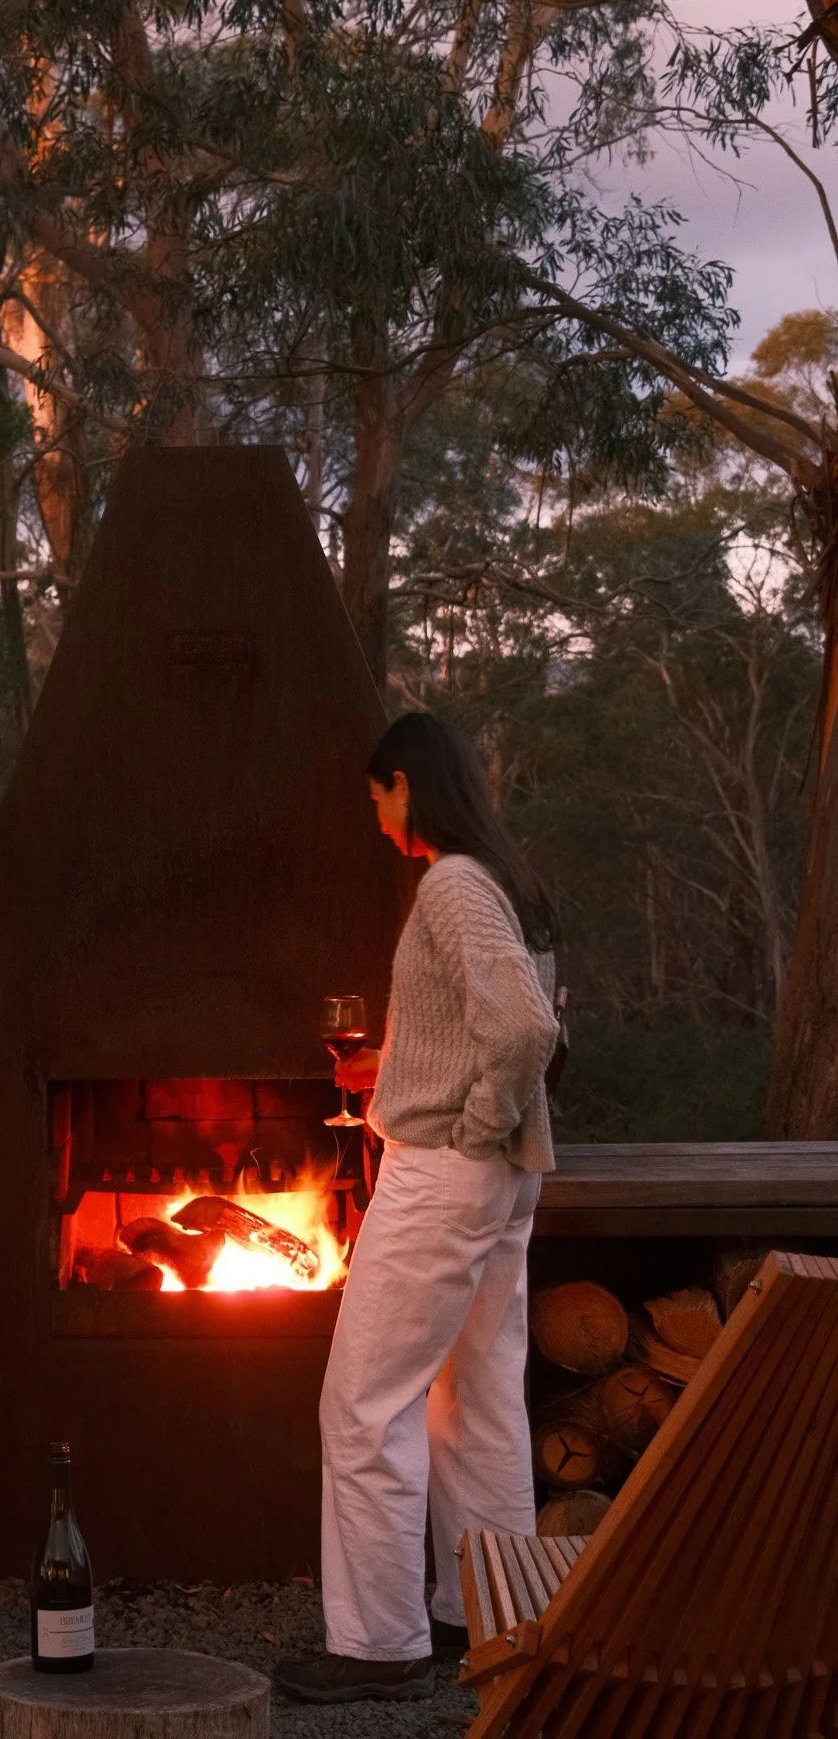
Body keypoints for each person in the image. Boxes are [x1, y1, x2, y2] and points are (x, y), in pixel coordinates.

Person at [276, 712, 558, 1704]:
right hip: (496, 1178)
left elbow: (525, 1026)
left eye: (377, 798)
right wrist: (395, 1067)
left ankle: (378, 1642)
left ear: (406, 785)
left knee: (363, 1402)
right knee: (472, 1401)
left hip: (447, 1171)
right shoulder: (501, 878)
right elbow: (492, 1022)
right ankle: (492, 1613)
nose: (378, 819)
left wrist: (469, 1122)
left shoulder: (451, 881)